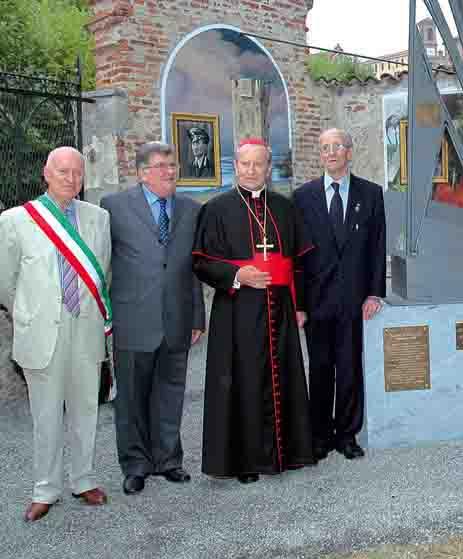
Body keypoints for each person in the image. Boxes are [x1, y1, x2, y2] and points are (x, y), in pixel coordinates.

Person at [192, 137, 315, 483]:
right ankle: (244, 461)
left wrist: (301, 305)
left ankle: (287, 453)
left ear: (268, 167)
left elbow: (300, 263)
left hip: (280, 307)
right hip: (237, 309)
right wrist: (236, 274)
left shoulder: (285, 207)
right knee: (242, 380)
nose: (251, 170)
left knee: (284, 375)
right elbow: (200, 263)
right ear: (236, 165)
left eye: (258, 164)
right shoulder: (216, 209)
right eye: (245, 164)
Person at [0, 147, 111, 521]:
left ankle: (83, 479)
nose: (71, 179)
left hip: (86, 327)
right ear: (46, 173)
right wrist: (32, 312)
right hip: (42, 331)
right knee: (45, 415)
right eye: (62, 171)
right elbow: (5, 282)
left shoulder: (99, 218)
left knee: (86, 411)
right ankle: (45, 489)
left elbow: (102, 274)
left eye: (77, 173)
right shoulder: (16, 220)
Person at [100, 142, 206, 495]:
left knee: (170, 393)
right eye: (161, 166)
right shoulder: (114, 207)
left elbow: (192, 268)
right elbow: (104, 264)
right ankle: (135, 465)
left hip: (177, 319)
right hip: (134, 319)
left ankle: (168, 460)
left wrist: (196, 317)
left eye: (172, 165)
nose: (170, 171)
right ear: (142, 172)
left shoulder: (191, 210)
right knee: (130, 398)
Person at [294, 129, 386, 461]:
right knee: (319, 368)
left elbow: (377, 247)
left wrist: (375, 293)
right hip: (316, 302)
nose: (331, 152)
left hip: (354, 300)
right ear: (320, 154)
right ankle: (319, 436)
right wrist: (299, 304)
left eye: (337, 147)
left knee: (349, 368)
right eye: (324, 148)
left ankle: (347, 434)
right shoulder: (302, 197)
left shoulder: (371, 194)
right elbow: (297, 256)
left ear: (349, 152)